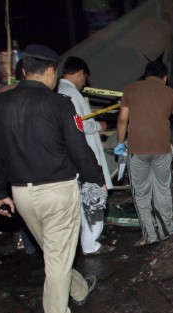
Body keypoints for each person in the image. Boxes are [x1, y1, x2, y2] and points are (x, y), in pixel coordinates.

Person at [0, 44, 104, 313]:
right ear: (50, 72)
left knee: (54, 253)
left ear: (24, 71)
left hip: (21, 194)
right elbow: (79, 149)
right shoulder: (60, 104)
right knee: (58, 258)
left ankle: (78, 289)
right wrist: (96, 178)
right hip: (58, 191)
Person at [115, 59, 173, 246]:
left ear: (146, 75)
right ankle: (167, 230)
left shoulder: (130, 89)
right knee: (162, 190)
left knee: (141, 193)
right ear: (165, 77)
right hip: (161, 150)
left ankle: (150, 235)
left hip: (136, 150)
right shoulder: (172, 94)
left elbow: (122, 120)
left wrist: (120, 142)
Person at [58, 56, 115, 255]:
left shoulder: (57, 91)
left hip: (67, 157)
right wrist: (100, 125)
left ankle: (84, 241)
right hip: (84, 153)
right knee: (94, 196)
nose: (84, 84)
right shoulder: (72, 94)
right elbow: (81, 124)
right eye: (84, 78)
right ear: (81, 73)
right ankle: (91, 243)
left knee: (79, 200)